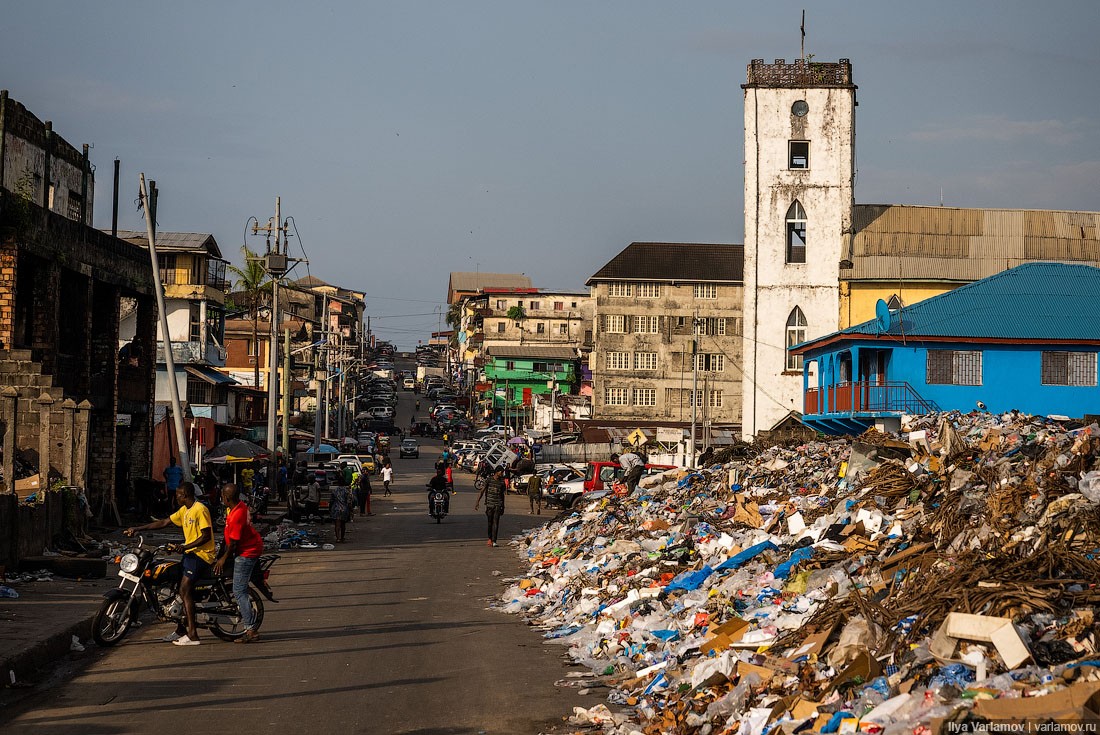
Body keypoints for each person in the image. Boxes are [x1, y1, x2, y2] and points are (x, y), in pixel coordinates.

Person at [124, 482, 215, 646]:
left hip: (202, 556)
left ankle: (193, 634)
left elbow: (206, 536)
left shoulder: (200, 509)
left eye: (179, 495)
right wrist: (138, 529)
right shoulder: (184, 510)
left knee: (184, 589)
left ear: (185, 495)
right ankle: (181, 629)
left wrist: (184, 546)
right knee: (173, 584)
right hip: (190, 555)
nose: (177, 497)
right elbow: (164, 522)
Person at [212, 483, 266, 643]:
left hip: (246, 552)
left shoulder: (237, 515)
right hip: (246, 548)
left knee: (239, 591)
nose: (221, 498)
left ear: (227, 498)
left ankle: (250, 629)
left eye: (222, 496)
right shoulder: (237, 507)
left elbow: (233, 543)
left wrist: (222, 559)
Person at [474, 466, 506, 547]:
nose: (502, 474)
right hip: (489, 504)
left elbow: (502, 495)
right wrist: (477, 502)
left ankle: (494, 540)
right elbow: (482, 491)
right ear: (497, 472)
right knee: (490, 522)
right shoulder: (489, 480)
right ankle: (490, 538)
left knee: (496, 523)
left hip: (498, 505)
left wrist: (503, 506)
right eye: (501, 472)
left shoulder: (502, 482)